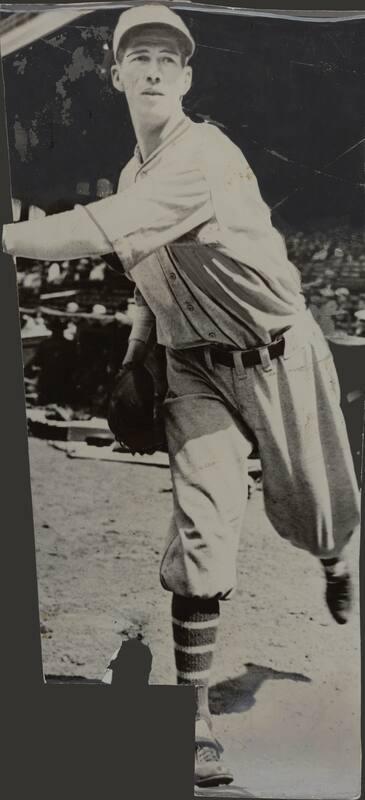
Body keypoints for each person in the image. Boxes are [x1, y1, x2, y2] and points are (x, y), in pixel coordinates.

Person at [2, 4, 360, 787]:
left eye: (170, 57)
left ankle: (336, 561)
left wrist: (8, 237)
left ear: (188, 77)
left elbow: (105, 229)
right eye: (141, 57)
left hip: (276, 353)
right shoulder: (137, 171)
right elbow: (144, 270)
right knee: (201, 537)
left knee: (317, 514)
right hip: (193, 365)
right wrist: (137, 354)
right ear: (118, 74)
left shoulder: (204, 154)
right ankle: (191, 714)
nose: (155, 68)